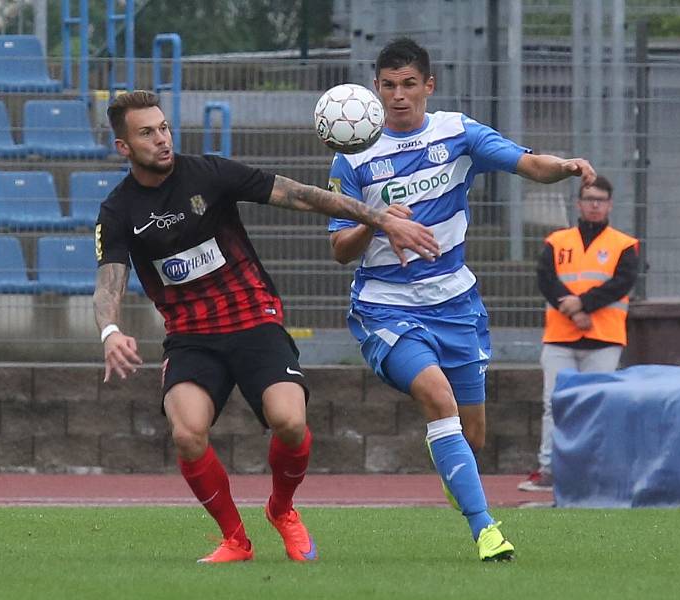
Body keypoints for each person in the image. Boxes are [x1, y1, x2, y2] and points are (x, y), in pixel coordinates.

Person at [93, 90, 440, 564]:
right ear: (124, 148)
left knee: (291, 421)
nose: (162, 139)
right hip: (191, 336)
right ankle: (235, 539)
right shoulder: (118, 210)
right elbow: (109, 279)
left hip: (253, 319)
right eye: (147, 133)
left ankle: (282, 509)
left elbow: (299, 195)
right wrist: (110, 331)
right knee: (187, 432)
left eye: (164, 128)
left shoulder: (209, 173)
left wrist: (379, 219)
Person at [326, 38, 597, 561]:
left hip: (455, 303)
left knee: (472, 436)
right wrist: (376, 222)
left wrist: (563, 166)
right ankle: (486, 529)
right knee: (438, 398)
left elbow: (526, 163)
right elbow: (340, 248)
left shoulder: (458, 132)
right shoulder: (353, 155)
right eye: (388, 86)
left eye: (409, 84)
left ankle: (459, 476)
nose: (398, 96)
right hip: (387, 306)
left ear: (429, 85)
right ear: (375, 89)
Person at [518, 175, 639, 492]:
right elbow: (546, 280)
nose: (594, 205)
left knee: (599, 405)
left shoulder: (623, 245)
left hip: (603, 339)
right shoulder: (557, 241)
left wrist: (583, 305)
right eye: (589, 199)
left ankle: (596, 472)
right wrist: (573, 310)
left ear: (610, 204)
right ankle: (549, 469)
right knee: (554, 405)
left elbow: (621, 283)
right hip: (560, 337)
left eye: (600, 199)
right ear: (578, 203)